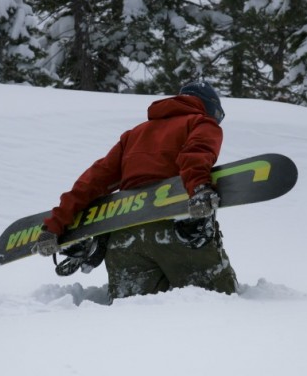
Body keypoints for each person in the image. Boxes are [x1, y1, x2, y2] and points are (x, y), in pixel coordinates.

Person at [34, 81, 238, 302]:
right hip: (177, 228)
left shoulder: (134, 135)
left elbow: (92, 181)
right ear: (208, 106)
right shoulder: (201, 123)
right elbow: (194, 156)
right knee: (217, 302)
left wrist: (55, 225)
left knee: (132, 319)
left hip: (125, 236)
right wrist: (199, 189)